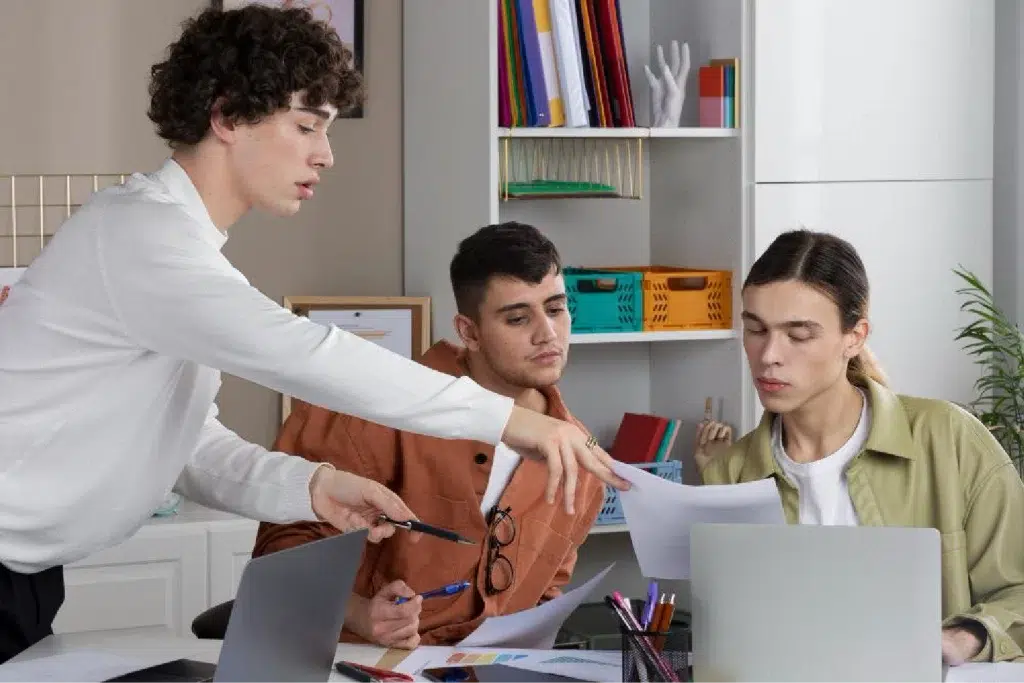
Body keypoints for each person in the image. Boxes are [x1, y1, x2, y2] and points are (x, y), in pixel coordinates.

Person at [0, 5, 626, 664]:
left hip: (28, 576)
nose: (325, 154)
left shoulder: (178, 256)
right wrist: (516, 423)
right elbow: (306, 355)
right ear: (226, 116)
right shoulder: (138, 238)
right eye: (306, 126)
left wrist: (314, 486)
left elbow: (190, 449)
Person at [251, 222, 606, 649]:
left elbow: (546, 593)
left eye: (555, 309)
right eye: (517, 318)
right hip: (352, 661)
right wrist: (359, 614)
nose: (547, 334)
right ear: (468, 332)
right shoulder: (367, 411)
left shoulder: (580, 457)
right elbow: (281, 553)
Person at [694, 229, 1024, 665]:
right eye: (755, 329)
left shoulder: (949, 439)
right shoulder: (730, 475)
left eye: (799, 335)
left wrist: (962, 639)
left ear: (855, 336)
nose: (769, 354)